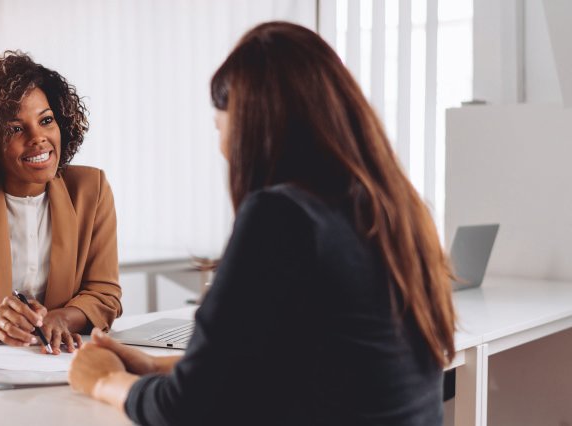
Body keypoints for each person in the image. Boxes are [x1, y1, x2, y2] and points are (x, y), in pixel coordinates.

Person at [68, 21, 456, 424]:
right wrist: (155, 367)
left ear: (252, 126)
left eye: (220, 127)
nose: (222, 150)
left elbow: (189, 410)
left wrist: (105, 381)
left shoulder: (283, 217)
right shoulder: (399, 210)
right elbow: (303, 366)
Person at [0, 51, 121, 355]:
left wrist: (61, 319)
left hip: (60, 359)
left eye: (46, 120)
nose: (38, 138)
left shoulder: (90, 190)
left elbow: (104, 294)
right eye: (15, 128)